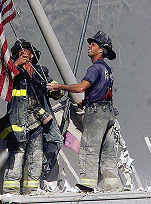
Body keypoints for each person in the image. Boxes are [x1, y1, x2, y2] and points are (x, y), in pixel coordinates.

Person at [47, 30, 120, 193]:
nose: (89, 46)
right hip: (108, 113)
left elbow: (81, 87)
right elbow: (101, 90)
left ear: (100, 50)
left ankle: (88, 184)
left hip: (96, 114)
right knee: (107, 150)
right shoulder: (107, 69)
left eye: (93, 44)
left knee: (89, 148)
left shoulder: (95, 68)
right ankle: (112, 185)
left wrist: (59, 86)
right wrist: (86, 101)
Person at [0, 39, 63, 195]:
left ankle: (31, 189)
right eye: (19, 51)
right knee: (17, 155)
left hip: (38, 121)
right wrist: (16, 64)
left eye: (26, 49)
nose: (23, 52)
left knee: (36, 156)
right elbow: (4, 81)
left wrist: (56, 90)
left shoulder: (41, 72)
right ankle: (11, 190)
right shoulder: (13, 71)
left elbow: (55, 91)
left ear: (32, 54)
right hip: (18, 120)